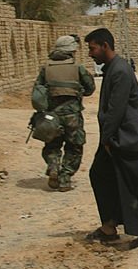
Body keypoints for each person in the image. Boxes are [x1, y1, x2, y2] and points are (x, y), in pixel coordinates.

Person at [85, 28, 138, 248]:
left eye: (92, 48)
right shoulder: (114, 68)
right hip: (117, 138)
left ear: (104, 45)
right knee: (101, 175)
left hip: (127, 139)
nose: (90, 54)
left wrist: (106, 140)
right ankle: (109, 226)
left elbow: (116, 110)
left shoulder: (120, 70)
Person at [32, 35, 96, 191]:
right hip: (72, 115)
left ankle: (53, 166)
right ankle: (65, 178)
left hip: (51, 116)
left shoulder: (46, 68)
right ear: (71, 50)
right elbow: (90, 88)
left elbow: (38, 90)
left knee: (52, 144)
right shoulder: (77, 67)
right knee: (74, 146)